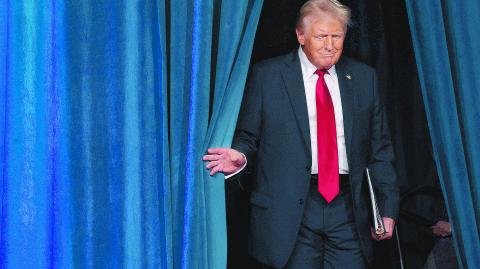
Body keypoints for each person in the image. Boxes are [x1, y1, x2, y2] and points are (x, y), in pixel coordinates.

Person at [203, 0, 399, 268]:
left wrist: (387, 208)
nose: (330, 45)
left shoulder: (364, 78)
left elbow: (380, 151)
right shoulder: (268, 76)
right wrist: (241, 156)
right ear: (301, 35)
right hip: (289, 209)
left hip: (348, 209)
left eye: (337, 36)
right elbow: (248, 136)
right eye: (321, 36)